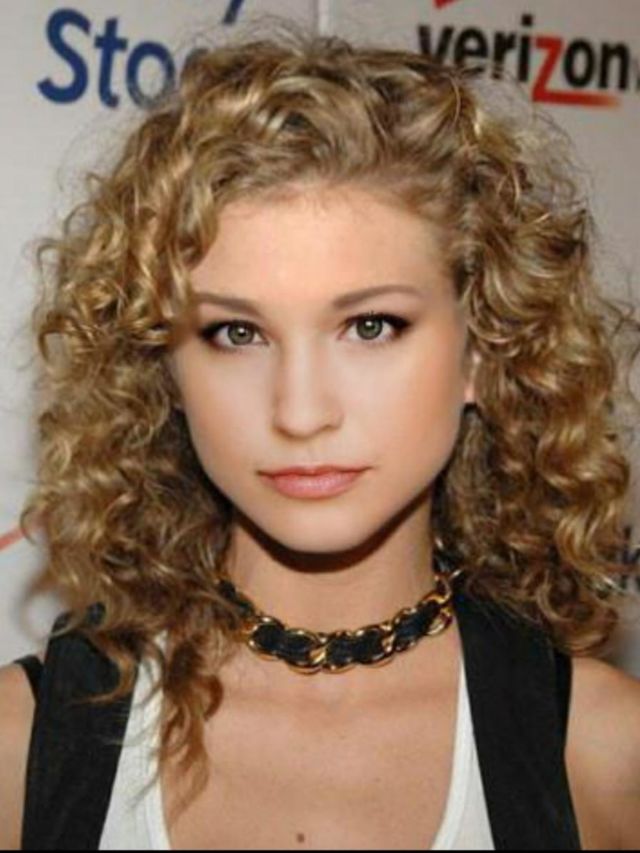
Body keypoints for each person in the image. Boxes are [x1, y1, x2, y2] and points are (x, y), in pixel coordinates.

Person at [1, 19, 640, 851]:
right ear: (164, 372)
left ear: (483, 350)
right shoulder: (20, 748)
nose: (300, 413)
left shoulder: (606, 756)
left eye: (371, 326)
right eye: (236, 333)